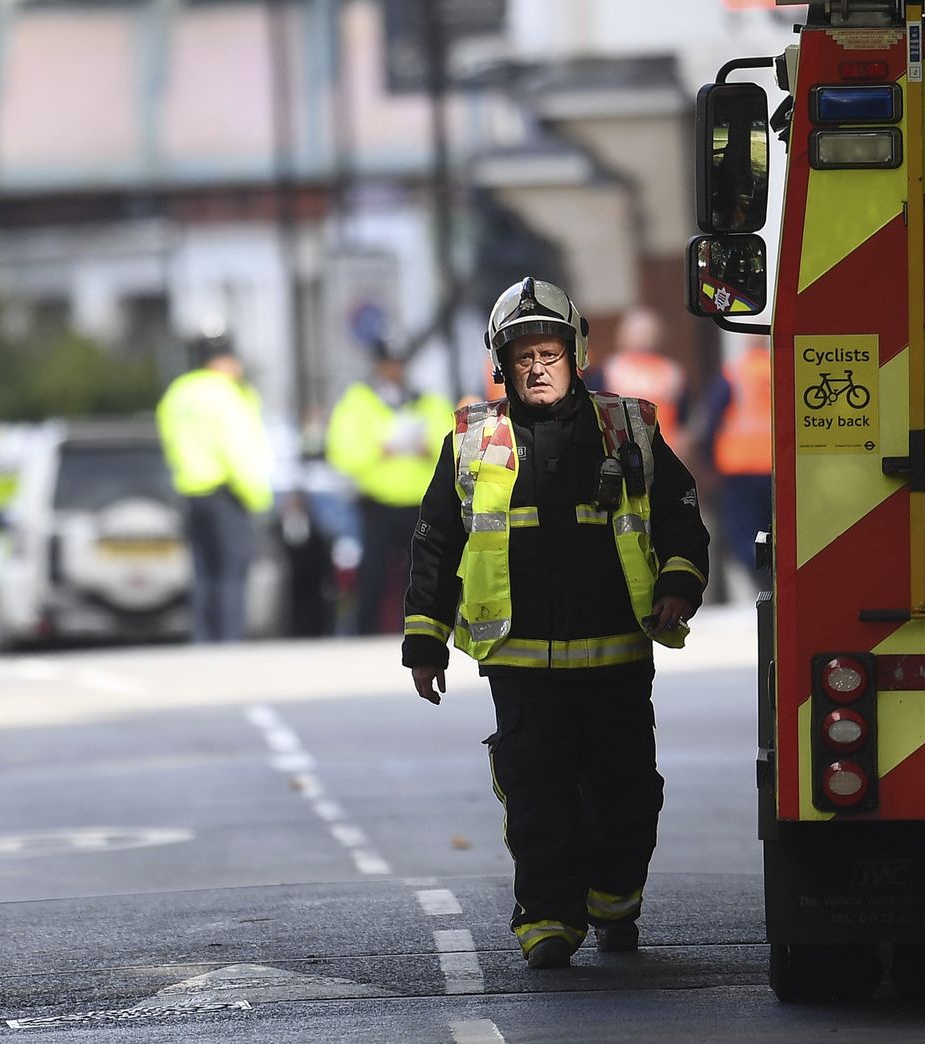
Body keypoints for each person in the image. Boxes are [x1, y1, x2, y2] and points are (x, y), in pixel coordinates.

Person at [401, 276, 710, 968]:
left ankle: (614, 900)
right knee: (536, 795)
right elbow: (435, 542)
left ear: (577, 356)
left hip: (616, 656)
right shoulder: (472, 441)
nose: (537, 369)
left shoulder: (628, 429)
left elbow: (681, 515)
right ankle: (547, 919)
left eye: (549, 354)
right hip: (519, 660)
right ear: (501, 364)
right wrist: (424, 641)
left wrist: (678, 583)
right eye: (523, 357)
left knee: (627, 793)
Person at [325, 339, 452, 635]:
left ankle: (423, 630)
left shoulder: (427, 400)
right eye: (389, 364)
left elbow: (450, 441)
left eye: (399, 363)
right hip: (377, 501)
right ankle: (365, 633)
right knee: (372, 572)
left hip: (419, 502)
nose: (395, 370)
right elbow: (341, 451)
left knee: (423, 573)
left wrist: (426, 446)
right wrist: (381, 448)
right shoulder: (359, 401)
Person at [155, 334, 273, 642]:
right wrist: (257, 497)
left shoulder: (179, 392)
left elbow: (169, 440)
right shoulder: (226, 393)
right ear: (222, 360)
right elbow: (236, 449)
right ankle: (229, 642)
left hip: (190, 492)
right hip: (227, 492)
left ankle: (203, 641)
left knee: (202, 573)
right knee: (232, 573)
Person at [699, 337, 772, 594]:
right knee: (775, 530)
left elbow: (711, 423)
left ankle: (761, 582)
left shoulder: (733, 374)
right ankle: (773, 579)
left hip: (740, 470)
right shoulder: (780, 370)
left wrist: (709, 464)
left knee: (744, 535)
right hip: (776, 468)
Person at [599, 306, 691, 451]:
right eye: (637, 333)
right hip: (622, 447)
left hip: (664, 447)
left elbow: (684, 416)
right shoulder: (611, 369)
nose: (642, 338)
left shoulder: (672, 371)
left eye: (646, 333)